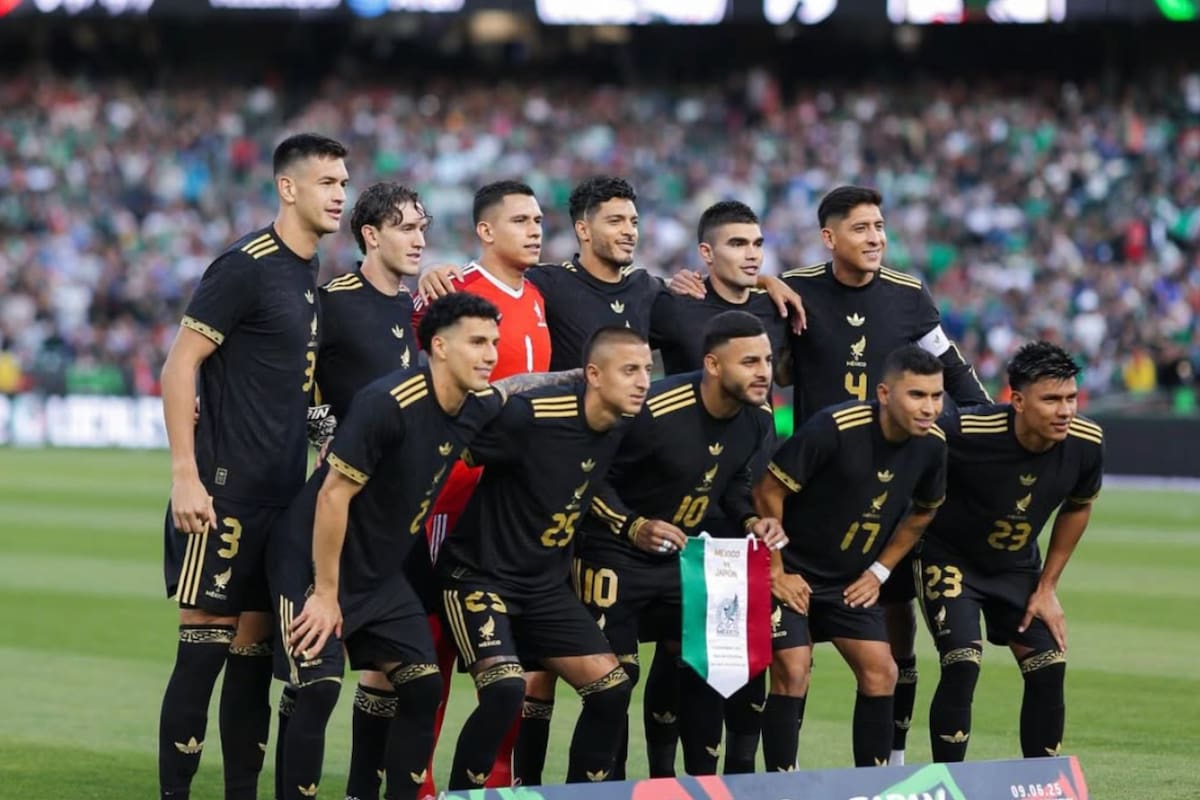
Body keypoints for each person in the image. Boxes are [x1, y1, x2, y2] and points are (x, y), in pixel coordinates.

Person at [674, 185, 988, 764]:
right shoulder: (795, 290)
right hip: (811, 484)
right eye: (862, 228)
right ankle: (771, 774)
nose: (875, 238)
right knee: (789, 660)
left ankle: (891, 759)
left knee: (896, 633)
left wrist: (986, 421)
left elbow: (949, 365)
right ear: (830, 237)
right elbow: (734, 320)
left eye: (879, 227)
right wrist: (738, 283)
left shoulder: (910, 295)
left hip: (884, 496)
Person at [272, 293, 580, 800]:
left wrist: (576, 378)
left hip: (380, 574)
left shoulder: (471, 404)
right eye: (477, 342)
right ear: (438, 346)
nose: (489, 353)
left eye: (494, 343)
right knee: (319, 688)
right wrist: (325, 594)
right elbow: (331, 496)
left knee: (422, 685)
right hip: (309, 562)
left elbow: (512, 388)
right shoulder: (387, 404)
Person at [157, 133, 348, 800]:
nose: (341, 195)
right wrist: (186, 474)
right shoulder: (245, 266)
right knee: (203, 654)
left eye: (344, 183)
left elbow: (287, 384)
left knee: (250, 664)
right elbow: (180, 365)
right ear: (289, 188)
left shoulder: (307, 276)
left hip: (280, 502)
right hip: (222, 498)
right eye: (328, 182)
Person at [382, 180, 552, 800]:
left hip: (516, 508)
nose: (536, 229)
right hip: (450, 497)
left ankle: (490, 784)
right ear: (485, 231)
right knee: (435, 649)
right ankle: (418, 784)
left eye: (539, 219)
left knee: (506, 656)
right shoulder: (451, 296)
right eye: (521, 220)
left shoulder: (537, 295)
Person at [437, 327, 654, 787]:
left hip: (544, 588)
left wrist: (633, 524)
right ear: (593, 375)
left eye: (648, 370)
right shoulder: (533, 416)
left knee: (612, 690)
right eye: (630, 370)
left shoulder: (622, 424)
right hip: (478, 576)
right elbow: (459, 425)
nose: (643, 382)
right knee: (505, 690)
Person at [270, 181, 431, 800]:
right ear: (371, 235)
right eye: (407, 228)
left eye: (423, 227)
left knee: (390, 679)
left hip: (387, 525)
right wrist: (333, 440)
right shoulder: (332, 301)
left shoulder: (411, 310)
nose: (419, 239)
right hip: (333, 508)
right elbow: (295, 386)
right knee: (316, 682)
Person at [575, 311, 786, 777]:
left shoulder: (756, 417)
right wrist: (633, 526)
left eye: (768, 360)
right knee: (615, 681)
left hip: (683, 557)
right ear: (713, 364)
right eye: (749, 361)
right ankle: (601, 788)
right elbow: (591, 475)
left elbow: (733, 485)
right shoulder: (652, 409)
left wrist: (753, 520)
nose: (763, 372)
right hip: (613, 552)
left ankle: (697, 787)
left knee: (705, 667)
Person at [643, 200, 789, 776]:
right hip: (671, 505)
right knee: (672, 655)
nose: (751, 254)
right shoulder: (673, 304)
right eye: (737, 245)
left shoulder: (777, 308)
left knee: (740, 655)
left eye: (757, 245)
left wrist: (771, 282)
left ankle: (735, 780)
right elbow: (615, 309)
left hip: (741, 500)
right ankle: (660, 777)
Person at [751, 345, 947, 770]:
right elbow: (768, 490)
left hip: (847, 581)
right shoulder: (834, 427)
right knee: (794, 669)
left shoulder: (933, 445)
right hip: (793, 571)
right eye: (917, 395)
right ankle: (783, 787)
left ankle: (872, 787)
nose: (929, 407)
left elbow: (924, 510)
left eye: (936, 396)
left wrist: (879, 570)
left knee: (882, 672)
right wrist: (777, 572)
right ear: (884, 393)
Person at [919, 341, 1102, 763]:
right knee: (963, 660)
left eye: (1071, 398)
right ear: (1017, 401)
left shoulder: (1087, 442)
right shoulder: (964, 431)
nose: (1065, 411)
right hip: (950, 559)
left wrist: (1048, 587)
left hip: (1017, 567)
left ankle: (1041, 783)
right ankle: (949, 784)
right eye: (1051, 399)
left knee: (1049, 665)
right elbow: (911, 450)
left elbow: (1079, 505)